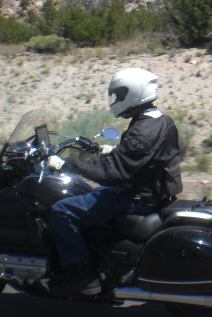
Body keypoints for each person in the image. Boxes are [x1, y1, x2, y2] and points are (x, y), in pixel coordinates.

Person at [47, 68, 182, 296]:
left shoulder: (143, 130)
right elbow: (147, 157)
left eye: (120, 94)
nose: (117, 99)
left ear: (134, 93)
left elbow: (113, 173)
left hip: (134, 198)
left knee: (62, 210)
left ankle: (82, 273)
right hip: (150, 191)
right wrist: (114, 150)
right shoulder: (161, 121)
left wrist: (68, 164)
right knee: (86, 195)